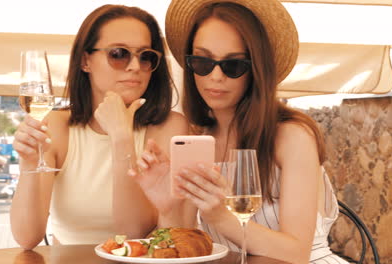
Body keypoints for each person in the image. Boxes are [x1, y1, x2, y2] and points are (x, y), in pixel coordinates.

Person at [131, 0, 348, 263]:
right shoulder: (198, 141)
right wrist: (167, 207)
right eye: (202, 62)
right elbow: (186, 249)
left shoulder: (291, 136)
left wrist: (221, 217)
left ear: (256, 70)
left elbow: (297, 253)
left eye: (233, 65)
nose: (216, 76)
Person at [10, 4, 188, 249]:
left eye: (146, 56)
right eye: (119, 54)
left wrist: (121, 138)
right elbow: (27, 237)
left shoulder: (170, 127)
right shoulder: (56, 126)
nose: (135, 66)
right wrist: (29, 164)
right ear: (85, 61)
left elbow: (134, 232)